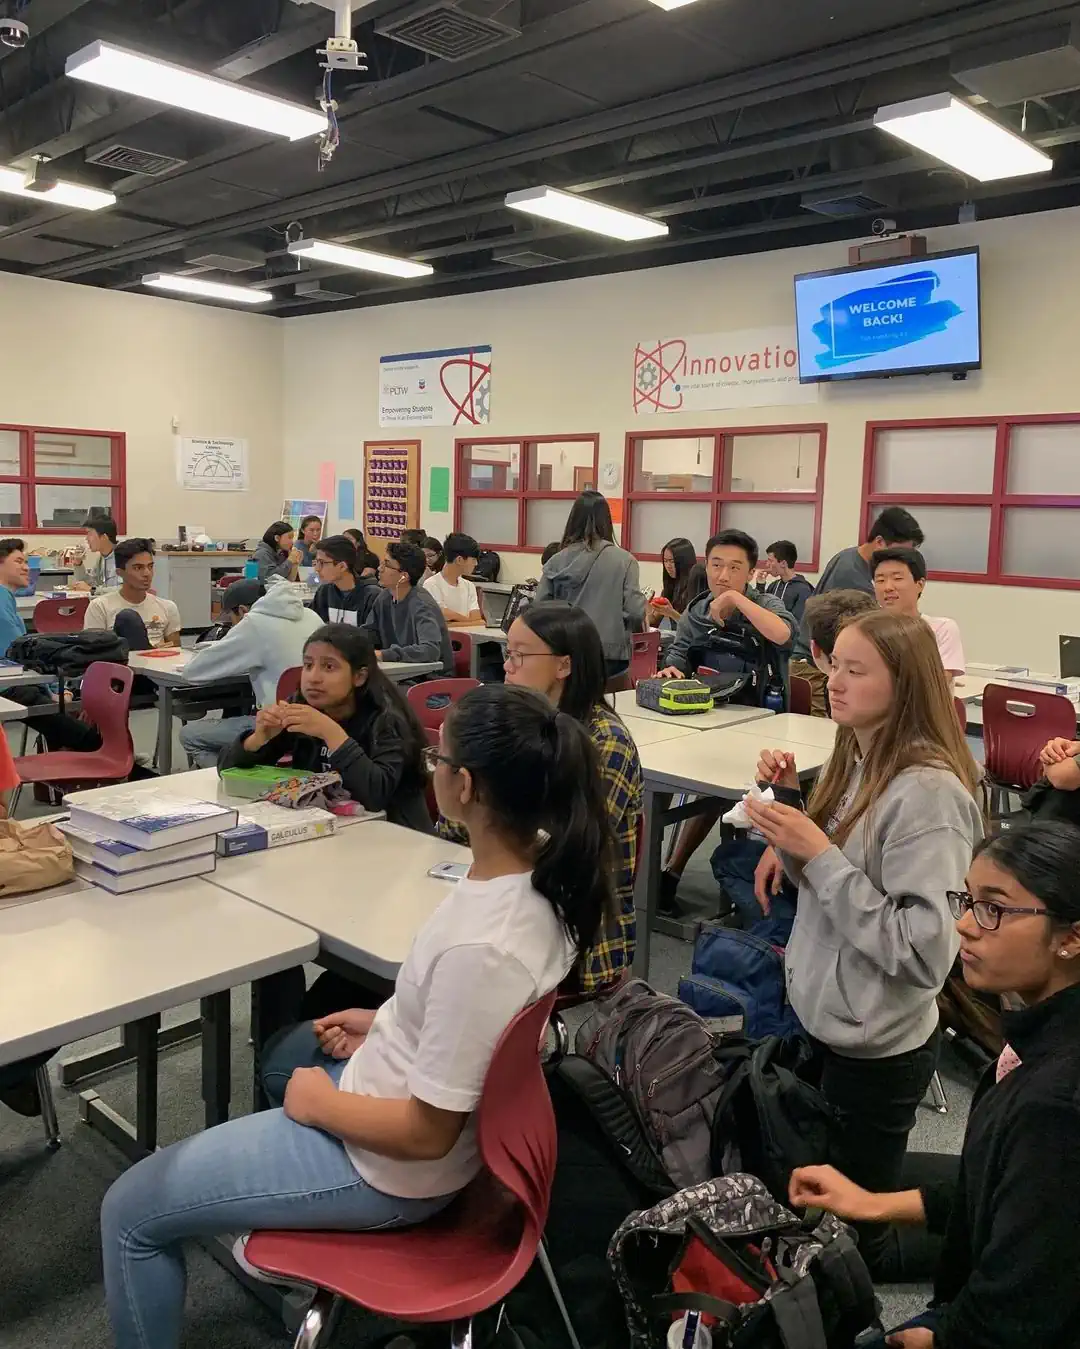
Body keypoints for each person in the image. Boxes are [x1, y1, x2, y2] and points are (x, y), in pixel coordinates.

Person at [100, 681, 612, 1349]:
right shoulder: (537, 879)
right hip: (396, 1107)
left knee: (130, 1212)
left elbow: (428, 1132)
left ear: (469, 787)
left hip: (393, 1167)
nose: (432, 770)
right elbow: (476, 1025)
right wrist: (395, 1022)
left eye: (440, 759)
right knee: (286, 1054)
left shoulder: (483, 945)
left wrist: (318, 1106)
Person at [744, 609, 983, 1278]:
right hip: (837, 1023)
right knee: (827, 1193)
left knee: (853, 1237)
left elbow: (922, 951)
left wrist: (816, 851)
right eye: (832, 665)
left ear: (904, 684)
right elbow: (828, 883)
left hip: (877, 1045)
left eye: (855, 670)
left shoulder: (929, 795)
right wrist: (791, 810)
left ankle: (974, 1243)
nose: (833, 683)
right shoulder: (859, 753)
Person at [789, 820, 1080, 1348]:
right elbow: (995, 1186)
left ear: (1071, 937)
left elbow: (1016, 1315)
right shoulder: (1036, 1035)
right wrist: (873, 1203)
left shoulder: (1055, 1106)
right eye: (966, 902)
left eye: (994, 908)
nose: (965, 926)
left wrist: (936, 1336)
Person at [444, 600, 643, 989]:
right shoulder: (512, 725)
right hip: (501, 906)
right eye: (507, 653)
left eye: (519, 655)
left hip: (570, 933)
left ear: (564, 666)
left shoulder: (605, 743)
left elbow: (558, 845)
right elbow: (455, 826)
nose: (507, 666)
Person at [656, 529, 796, 910]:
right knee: (657, 779)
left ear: (750, 572)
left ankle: (673, 870)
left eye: (735, 568)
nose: (722, 575)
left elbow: (783, 635)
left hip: (759, 726)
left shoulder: (766, 605)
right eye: (716, 565)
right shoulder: (697, 610)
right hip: (703, 719)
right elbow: (679, 653)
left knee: (713, 794)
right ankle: (650, 876)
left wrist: (735, 600)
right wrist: (670, 670)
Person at [219, 623, 430, 831]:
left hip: (395, 838)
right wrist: (258, 739)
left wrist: (330, 732)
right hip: (326, 830)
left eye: (329, 667)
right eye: (308, 665)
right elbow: (225, 770)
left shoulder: (387, 719)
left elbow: (375, 797)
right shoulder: (303, 707)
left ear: (359, 676)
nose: (313, 677)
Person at [790, 507, 924, 716]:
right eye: (899, 552)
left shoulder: (848, 555)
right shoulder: (854, 579)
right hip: (815, 668)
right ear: (879, 542)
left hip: (818, 664)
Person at [178, 578, 323, 768]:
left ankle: (231, 781)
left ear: (243, 611)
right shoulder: (311, 615)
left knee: (190, 735)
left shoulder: (254, 623)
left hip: (275, 725)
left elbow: (193, 672)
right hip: (317, 721)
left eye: (232, 618)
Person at [536, 490, 645, 679]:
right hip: (611, 655)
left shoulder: (555, 561)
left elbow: (539, 609)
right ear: (607, 520)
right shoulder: (625, 561)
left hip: (566, 655)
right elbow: (635, 612)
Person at [873, 547, 965, 682]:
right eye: (880, 580)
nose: (888, 587)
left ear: (920, 584)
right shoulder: (868, 630)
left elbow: (937, 684)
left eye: (897, 578)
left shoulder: (941, 629)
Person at [364, 541, 454, 676]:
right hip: (400, 675)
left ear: (404, 576)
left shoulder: (422, 604)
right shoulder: (384, 597)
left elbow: (430, 650)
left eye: (386, 564)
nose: (379, 568)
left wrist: (385, 654)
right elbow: (369, 633)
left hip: (431, 681)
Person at [83, 537, 181, 650]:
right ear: (120, 572)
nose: (147, 573)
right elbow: (94, 654)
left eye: (150, 566)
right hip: (121, 664)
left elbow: (175, 653)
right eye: (138, 568)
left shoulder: (168, 607)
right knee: (127, 618)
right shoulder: (100, 607)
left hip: (157, 665)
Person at [311, 535, 380, 627]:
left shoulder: (372, 596)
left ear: (342, 566)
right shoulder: (324, 592)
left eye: (322, 563)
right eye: (316, 562)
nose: (317, 568)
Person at [424, 531, 483, 626]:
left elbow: (477, 619)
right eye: (473, 559)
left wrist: (452, 622)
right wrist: (469, 621)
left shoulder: (469, 586)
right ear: (459, 560)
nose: (476, 564)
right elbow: (441, 618)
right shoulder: (431, 584)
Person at [647, 537, 703, 627]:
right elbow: (653, 622)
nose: (668, 566)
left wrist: (672, 613)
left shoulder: (697, 585)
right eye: (665, 561)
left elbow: (695, 628)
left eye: (672, 561)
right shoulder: (670, 586)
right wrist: (645, 605)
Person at [756, 539, 813, 627]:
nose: (767, 565)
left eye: (770, 561)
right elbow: (759, 611)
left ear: (783, 563)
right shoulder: (773, 586)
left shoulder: (804, 590)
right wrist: (760, 585)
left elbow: (797, 626)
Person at [71, 515, 118, 592]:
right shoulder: (101, 558)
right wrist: (78, 564)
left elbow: (123, 591)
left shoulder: (123, 557)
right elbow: (92, 583)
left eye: (90, 534)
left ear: (104, 537)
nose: (87, 538)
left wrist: (92, 590)